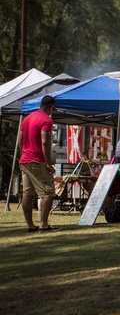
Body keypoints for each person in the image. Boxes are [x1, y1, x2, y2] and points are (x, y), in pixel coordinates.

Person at [19, 94, 58, 232]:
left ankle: (30, 225)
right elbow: (45, 141)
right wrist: (48, 163)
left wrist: (22, 155)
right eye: (53, 108)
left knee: (27, 193)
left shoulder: (27, 118)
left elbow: (20, 140)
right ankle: (43, 224)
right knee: (48, 191)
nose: (52, 111)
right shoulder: (46, 120)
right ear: (49, 107)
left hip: (24, 160)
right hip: (37, 160)